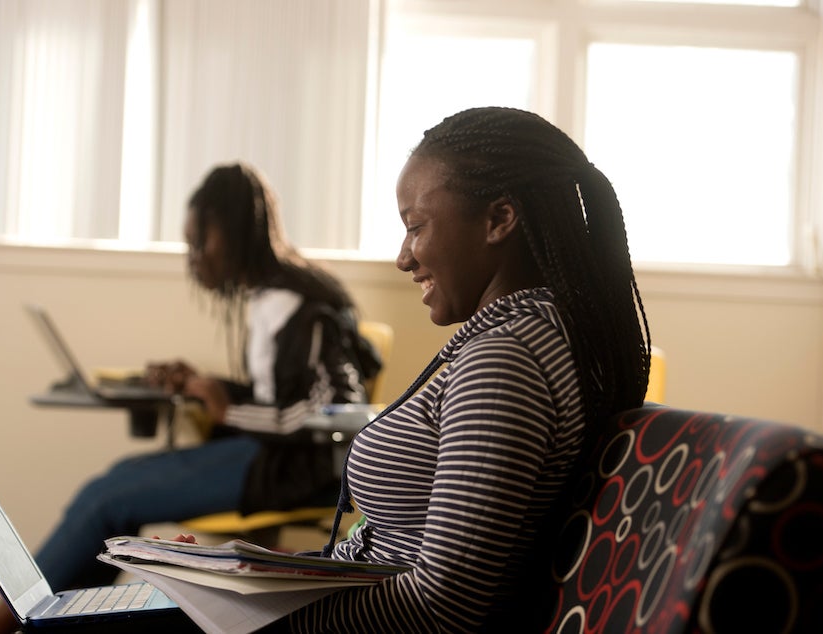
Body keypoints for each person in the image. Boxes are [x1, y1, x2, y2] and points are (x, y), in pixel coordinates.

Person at [249, 105, 649, 632]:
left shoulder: (506, 360)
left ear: (499, 220)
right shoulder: (534, 335)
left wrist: (266, 616)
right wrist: (245, 580)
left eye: (416, 227)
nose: (404, 257)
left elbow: (444, 607)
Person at [0, 162, 380, 634]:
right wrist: (205, 385)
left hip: (293, 467)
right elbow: (278, 394)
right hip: (268, 454)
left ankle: (4, 623)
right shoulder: (269, 296)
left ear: (238, 232)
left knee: (107, 498)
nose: (194, 256)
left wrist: (230, 408)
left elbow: (340, 409)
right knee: (114, 483)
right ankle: (49, 621)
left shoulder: (301, 302)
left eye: (201, 241)